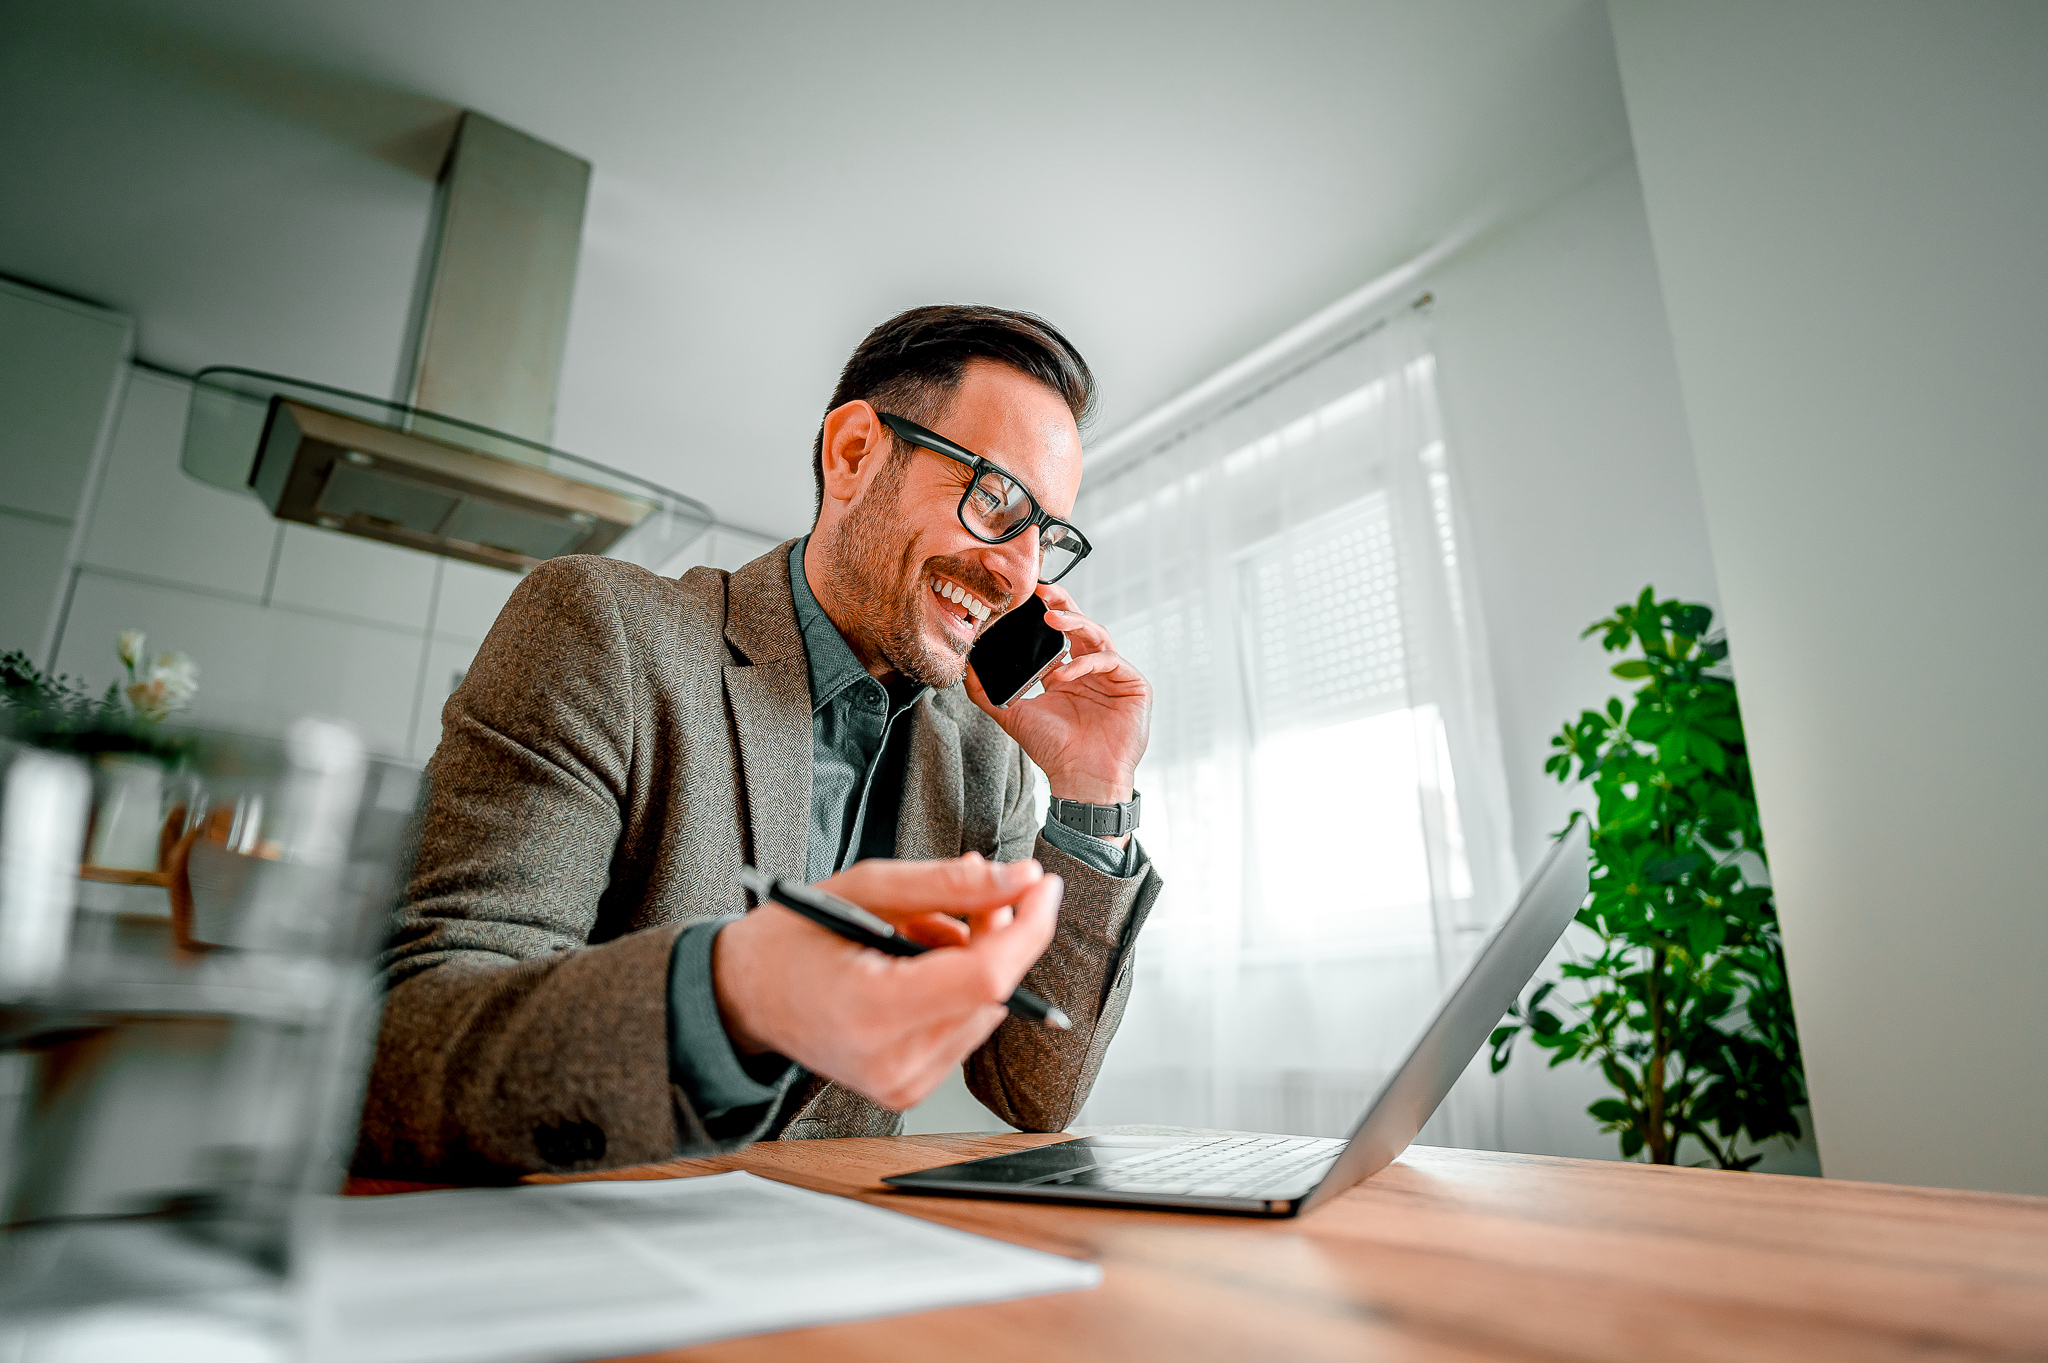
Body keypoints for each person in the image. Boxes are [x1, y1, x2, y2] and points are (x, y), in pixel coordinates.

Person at [355, 305, 1161, 1179]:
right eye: (995, 499)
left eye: (1047, 535)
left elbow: (1031, 1089)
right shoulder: (604, 633)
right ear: (854, 454)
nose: (1019, 571)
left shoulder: (984, 758)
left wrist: (1094, 786)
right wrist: (734, 995)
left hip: (825, 1271)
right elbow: (403, 1041)